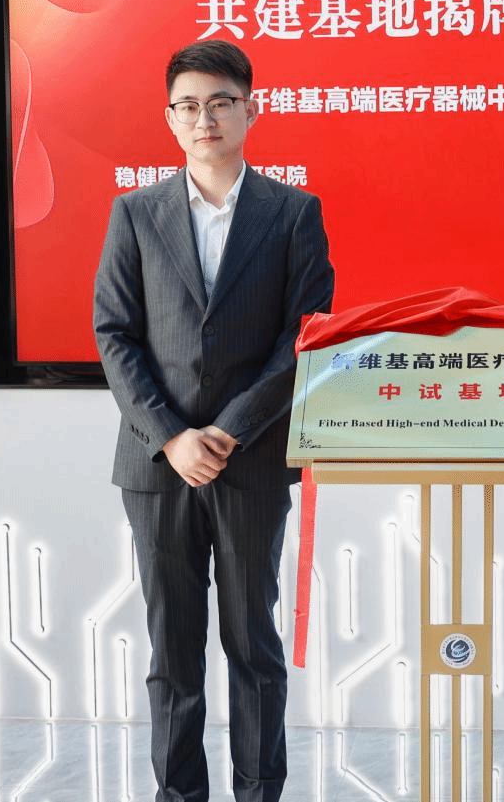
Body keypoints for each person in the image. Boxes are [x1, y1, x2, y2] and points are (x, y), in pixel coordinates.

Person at [94, 39, 334, 802]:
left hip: (250, 460)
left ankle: (259, 791)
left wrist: (227, 429)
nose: (206, 118)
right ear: (170, 118)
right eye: (190, 105)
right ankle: (179, 794)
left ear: (250, 109)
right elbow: (114, 333)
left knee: (253, 644)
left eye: (221, 102)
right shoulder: (135, 213)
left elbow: (305, 336)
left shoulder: (293, 212)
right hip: (157, 466)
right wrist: (172, 435)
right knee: (172, 652)